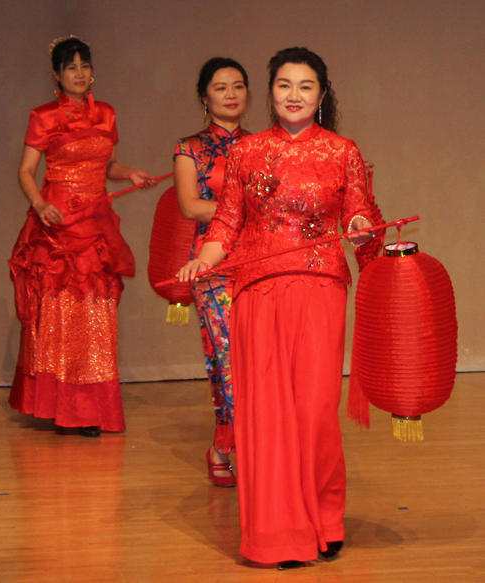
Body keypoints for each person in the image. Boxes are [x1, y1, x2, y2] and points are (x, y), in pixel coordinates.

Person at [178, 47, 383, 568]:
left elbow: (360, 212)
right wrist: (203, 259)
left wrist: (360, 228)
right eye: (285, 85)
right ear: (271, 92)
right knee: (266, 417)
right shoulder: (245, 154)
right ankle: (279, 532)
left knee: (314, 413)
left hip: (319, 290)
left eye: (305, 86)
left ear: (321, 94)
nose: (294, 95)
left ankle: (325, 517)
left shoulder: (343, 151)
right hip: (257, 291)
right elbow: (226, 222)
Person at [9, 36, 155, 437]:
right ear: (57, 75)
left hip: (95, 222)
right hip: (57, 221)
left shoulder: (106, 113)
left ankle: (88, 409)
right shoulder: (42, 116)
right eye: (71, 67)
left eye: (84, 65)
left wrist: (131, 174)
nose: (79, 73)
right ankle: (57, 406)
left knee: (94, 317)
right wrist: (39, 204)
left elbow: (106, 166)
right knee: (58, 316)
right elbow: (25, 171)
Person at [174, 58, 250, 487]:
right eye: (220, 87)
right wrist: (240, 214)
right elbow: (189, 206)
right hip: (212, 265)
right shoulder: (190, 148)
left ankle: (227, 448)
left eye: (238, 86)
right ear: (205, 96)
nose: (231, 94)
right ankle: (239, 449)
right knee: (228, 362)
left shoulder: (263, 145)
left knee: (259, 362)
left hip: (259, 263)